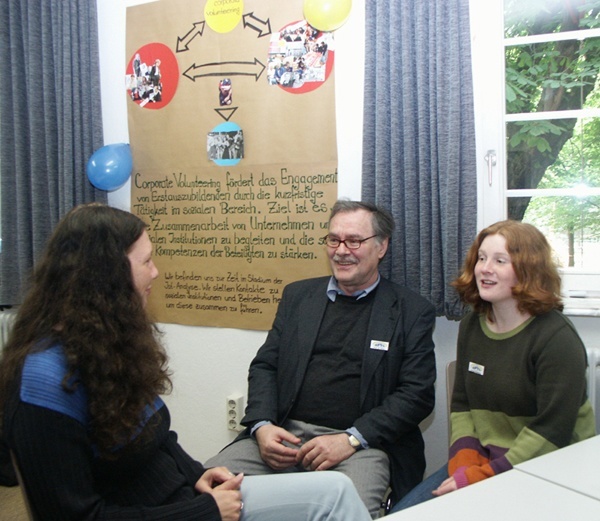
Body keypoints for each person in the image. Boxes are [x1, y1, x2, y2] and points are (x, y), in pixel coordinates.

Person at [0, 203, 371, 521]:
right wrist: (206, 512)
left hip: (185, 501)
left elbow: (157, 436)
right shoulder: (42, 384)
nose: (156, 272)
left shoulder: (104, 345)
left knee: (335, 491)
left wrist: (198, 475)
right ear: (107, 277)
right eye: (146, 261)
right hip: (181, 514)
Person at [206, 200, 437, 518]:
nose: (342, 250)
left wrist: (351, 439)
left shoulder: (411, 311)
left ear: (381, 246)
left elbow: (417, 395)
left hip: (361, 447)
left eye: (354, 240)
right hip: (283, 436)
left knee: (350, 512)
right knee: (204, 490)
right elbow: (265, 366)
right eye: (334, 239)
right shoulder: (298, 297)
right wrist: (261, 426)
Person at [390, 220, 596, 513]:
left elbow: (552, 432)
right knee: (403, 513)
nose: (485, 268)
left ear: (527, 270)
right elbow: (462, 404)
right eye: (482, 258)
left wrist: (483, 477)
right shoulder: (472, 323)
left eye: (500, 261)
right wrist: (463, 463)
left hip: (547, 466)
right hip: (481, 459)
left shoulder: (556, 338)